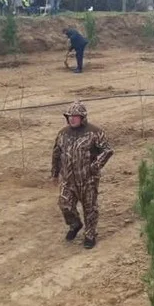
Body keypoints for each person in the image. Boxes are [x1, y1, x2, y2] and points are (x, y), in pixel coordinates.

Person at [51, 101, 114, 250]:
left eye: (75, 116)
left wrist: (95, 166)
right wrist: (55, 173)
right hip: (68, 179)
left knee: (90, 208)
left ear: (83, 117)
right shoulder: (62, 134)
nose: (72, 119)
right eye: (69, 116)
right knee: (64, 204)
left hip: (88, 179)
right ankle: (75, 224)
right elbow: (56, 153)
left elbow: (107, 150)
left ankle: (90, 234)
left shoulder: (94, 132)